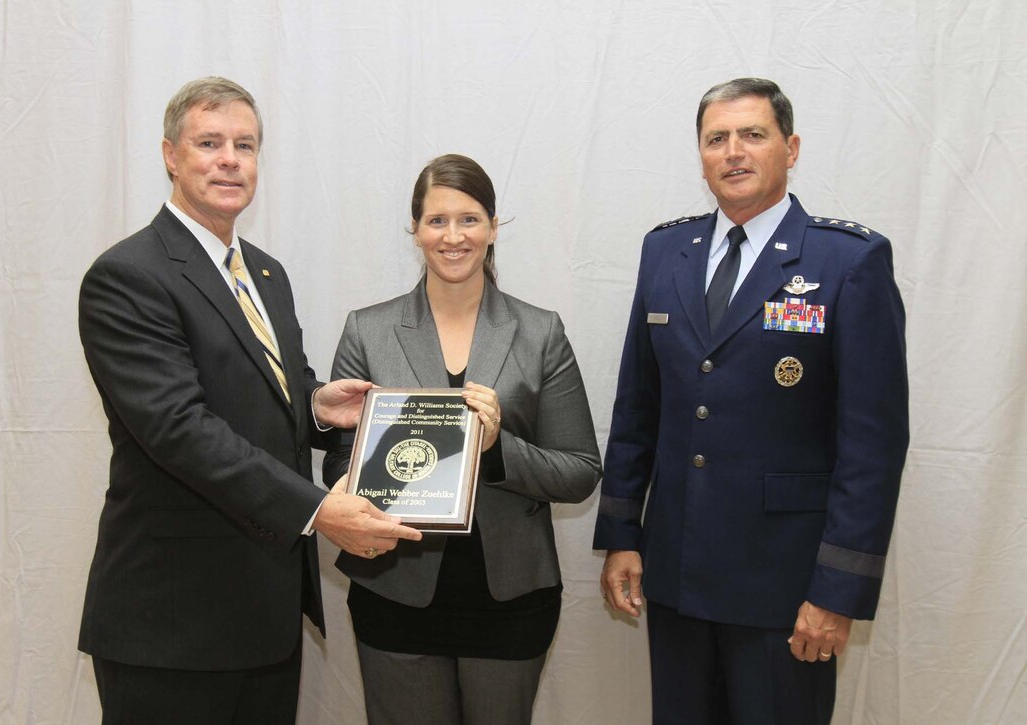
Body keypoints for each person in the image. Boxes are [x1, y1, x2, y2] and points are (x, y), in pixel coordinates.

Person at [77, 76, 421, 724]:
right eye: (209, 142)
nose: (230, 158)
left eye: (246, 144)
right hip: (170, 626)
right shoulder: (128, 277)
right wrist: (321, 509)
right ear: (169, 155)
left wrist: (318, 405)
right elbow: (182, 430)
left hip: (263, 615)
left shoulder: (264, 271)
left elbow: (254, 392)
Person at [594, 78, 909, 724]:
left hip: (784, 586)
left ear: (790, 148)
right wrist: (624, 534)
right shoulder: (665, 253)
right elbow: (637, 408)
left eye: (752, 135)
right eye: (717, 139)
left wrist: (837, 592)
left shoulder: (847, 262)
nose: (733, 152)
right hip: (677, 572)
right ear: (702, 155)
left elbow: (872, 447)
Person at [322, 153, 602, 725]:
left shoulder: (540, 331)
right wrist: (357, 485)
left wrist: (497, 447)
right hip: (395, 592)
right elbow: (339, 466)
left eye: (470, 219)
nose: (454, 236)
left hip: (510, 597)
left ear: (494, 229)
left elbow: (579, 471)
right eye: (437, 220)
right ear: (416, 230)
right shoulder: (366, 329)